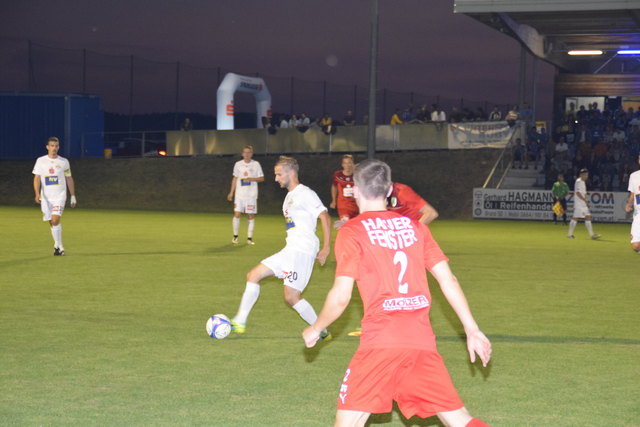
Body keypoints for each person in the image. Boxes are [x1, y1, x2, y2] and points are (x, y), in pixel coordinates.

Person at [302, 159, 491, 427]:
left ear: (354, 190)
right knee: (460, 420)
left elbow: (342, 295)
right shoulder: (417, 228)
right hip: (421, 342)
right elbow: (449, 280)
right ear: (390, 190)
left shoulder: (353, 231)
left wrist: (317, 326)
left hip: (381, 342)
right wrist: (472, 330)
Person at [231, 156, 332, 339]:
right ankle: (240, 320)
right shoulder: (289, 196)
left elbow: (324, 216)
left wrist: (326, 248)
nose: (276, 178)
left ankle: (321, 329)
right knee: (253, 275)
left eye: (279, 174)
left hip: (302, 250)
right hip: (290, 249)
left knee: (291, 297)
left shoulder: (305, 193)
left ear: (291, 172)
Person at [32, 137, 77, 256]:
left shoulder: (64, 162)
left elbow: (69, 178)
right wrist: (37, 193)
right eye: (52, 145)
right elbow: (36, 178)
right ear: (47, 147)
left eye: (56, 146)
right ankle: (59, 245)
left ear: (59, 147)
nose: (54, 148)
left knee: (56, 219)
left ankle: (57, 246)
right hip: (46, 198)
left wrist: (73, 195)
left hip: (60, 196)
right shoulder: (40, 161)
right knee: (51, 221)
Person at [227, 146, 264, 245]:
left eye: (249, 152)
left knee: (250, 215)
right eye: (245, 152)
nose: (247, 154)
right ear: (242, 154)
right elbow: (235, 178)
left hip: (251, 195)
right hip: (239, 195)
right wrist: (231, 192)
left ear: (251, 154)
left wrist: (252, 179)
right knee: (237, 214)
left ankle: (249, 238)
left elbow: (261, 178)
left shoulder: (256, 164)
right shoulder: (238, 164)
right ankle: (235, 237)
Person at [568, 168, 601, 240]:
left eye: (587, 175)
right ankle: (569, 234)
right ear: (581, 175)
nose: (586, 176)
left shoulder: (582, 182)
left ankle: (592, 235)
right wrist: (584, 200)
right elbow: (577, 193)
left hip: (582, 203)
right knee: (575, 218)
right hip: (579, 204)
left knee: (588, 217)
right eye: (585, 175)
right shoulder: (579, 182)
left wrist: (585, 198)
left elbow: (582, 193)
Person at [330, 154, 358, 229]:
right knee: (345, 222)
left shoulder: (357, 176)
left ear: (353, 164)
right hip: (343, 204)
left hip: (356, 205)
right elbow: (334, 186)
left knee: (354, 225)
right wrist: (333, 201)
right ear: (342, 164)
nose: (347, 165)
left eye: (349, 163)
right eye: (345, 163)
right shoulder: (337, 175)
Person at [624, 154, 640, 253]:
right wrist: (629, 204)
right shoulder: (634, 176)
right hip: (638, 215)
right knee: (635, 246)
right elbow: (632, 194)